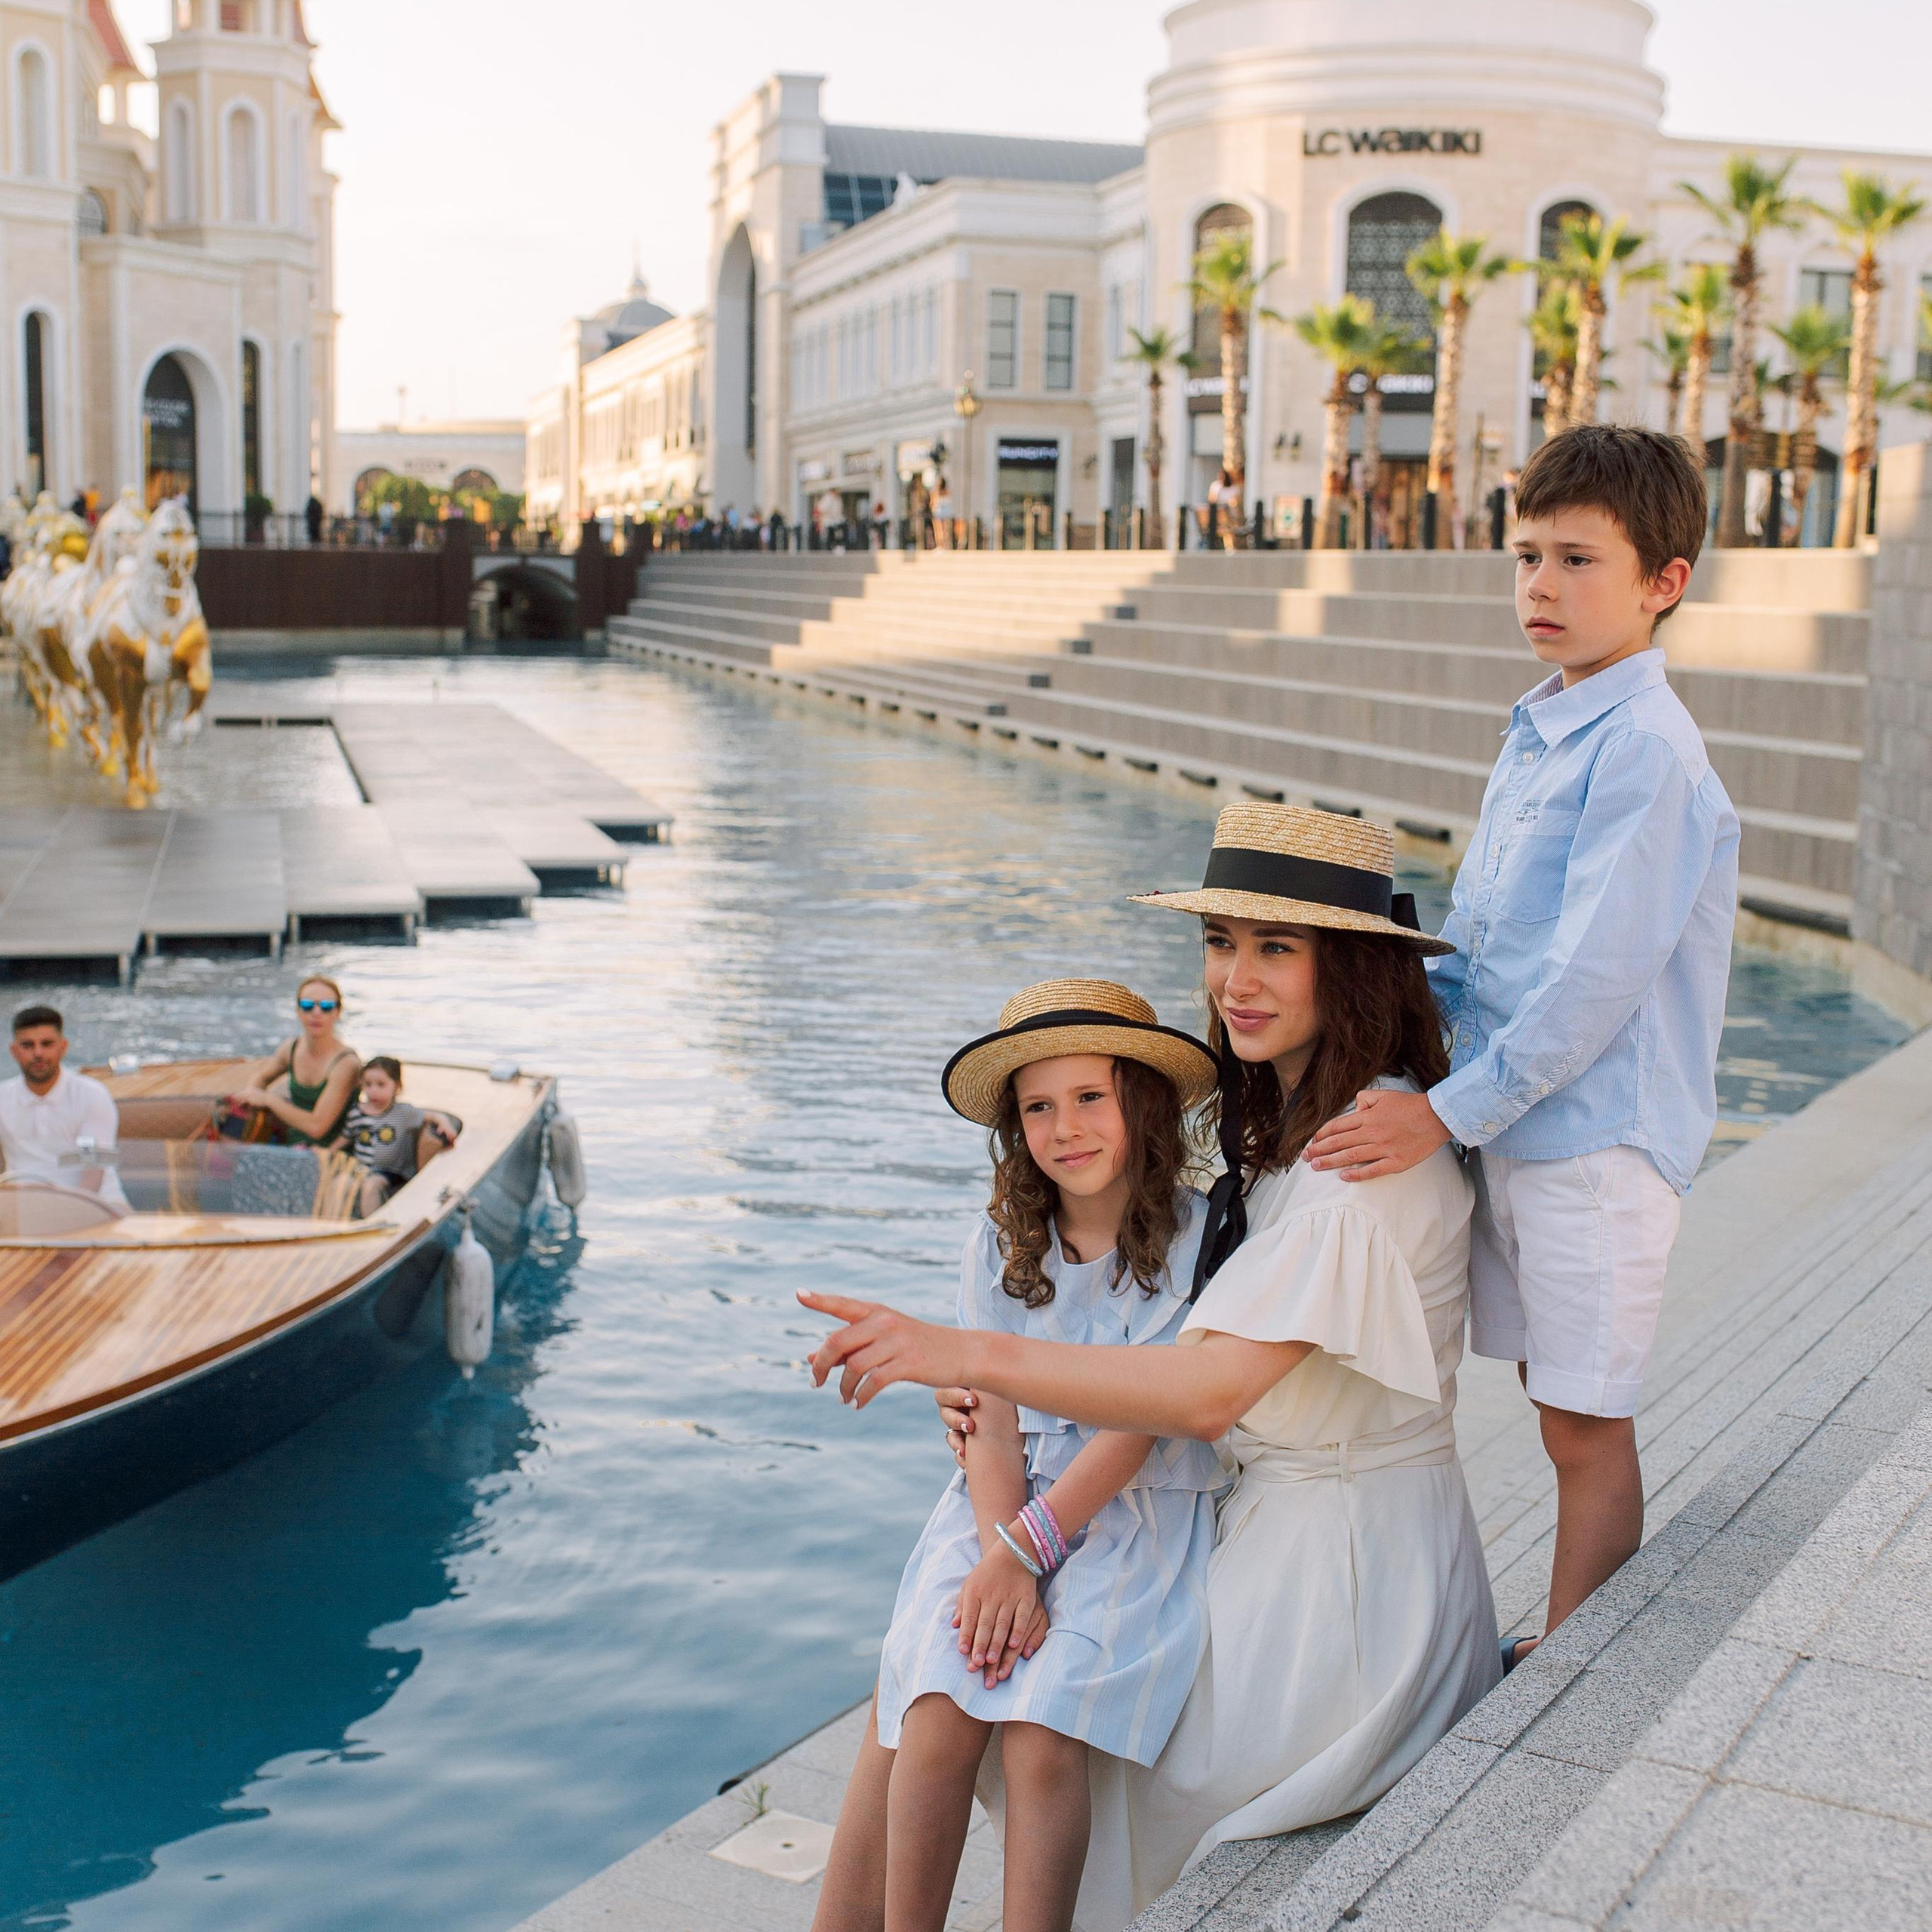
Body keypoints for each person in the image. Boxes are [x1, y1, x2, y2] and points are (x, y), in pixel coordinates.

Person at [804, 806, 1499, 1927]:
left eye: (1276, 947)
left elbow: (1205, 1392)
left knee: (1031, 1712)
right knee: (920, 1688)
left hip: (1342, 1583)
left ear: (1350, 967)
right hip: (1265, 1517)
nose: (1237, 980)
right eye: (1221, 942)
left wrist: (970, 1360)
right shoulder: (1294, 1129)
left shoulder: (1362, 1157)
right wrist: (995, 1423)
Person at [1302, 425, 1740, 1672]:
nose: (1540, 586)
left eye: (1577, 561)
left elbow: (1592, 982)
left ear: (1664, 581)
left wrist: (1441, 1115)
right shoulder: (1544, 729)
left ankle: (1570, 1671)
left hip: (1594, 1143)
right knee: (1558, 1405)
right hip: (1526, 1126)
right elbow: (1492, 949)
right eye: (1527, 556)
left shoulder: (1646, 752)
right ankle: (1566, 1646)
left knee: (1586, 1422)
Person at [811, 980, 1224, 1932]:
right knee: (935, 1704)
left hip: (1128, 1509)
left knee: (1043, 1730)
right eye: (1037, 1107)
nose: (1064, 1128)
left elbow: (1141, 1423)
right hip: (996, 1498)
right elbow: (988, 1417)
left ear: (1142, 1104)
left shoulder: (1197, 1235)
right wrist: (1000, 1551)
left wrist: (1029, 1553)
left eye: (1089, 1097)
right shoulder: (1001, 1241)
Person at [0, 1004, 125, 1207]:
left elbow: (93, 1173)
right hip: (22, 1207)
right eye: (28, 1045)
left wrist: (64, 1213)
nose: (38, 1053)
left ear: (63, 1047)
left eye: (47, 1044)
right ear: (14, 1051)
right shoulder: (3, 1098)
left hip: (98, 1205)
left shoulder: (91, 1095)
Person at [229, 976, 361, 1146]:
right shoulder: (291, 1048)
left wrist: (268, 1100)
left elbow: (317, 1127)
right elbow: (261, 1078)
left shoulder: (346, 1064)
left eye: (326, 1007)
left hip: (329, 1153)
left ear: (337, 1012)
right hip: (293, 1144)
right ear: (298, 1010)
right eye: (308, 1005)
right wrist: (252, 1098)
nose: (316, 1013)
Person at [341, 1057, 458, 1217]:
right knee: (340, 1182)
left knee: (372, 1185)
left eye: (381, 1085)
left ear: (396, 1086)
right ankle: (331, 1224)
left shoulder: (403, 1113)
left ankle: (374, 1224)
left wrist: (444, 1122)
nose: (373, 1090)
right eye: (368, 1084)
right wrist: (325, 1151)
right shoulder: (357, 1112)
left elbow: (431, 1115)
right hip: (361, 1168)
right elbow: (345, 1137)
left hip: (391, 1171)